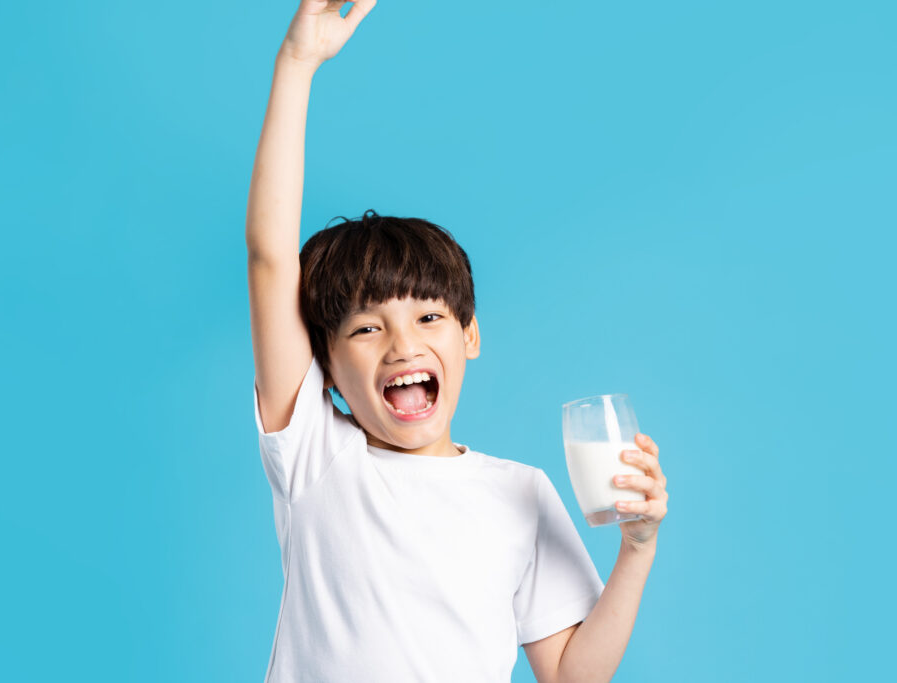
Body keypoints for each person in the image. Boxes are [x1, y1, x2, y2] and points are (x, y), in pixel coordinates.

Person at [245, 1, 670, 681]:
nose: (400, 344)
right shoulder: (314, 456)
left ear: (470, 335)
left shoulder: (521, 492)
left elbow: (569, 673)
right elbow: (271, 257)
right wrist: (296, 65)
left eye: (429, 318)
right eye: (365, 327)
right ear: (323, 367)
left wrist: (638, 547)